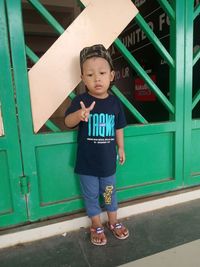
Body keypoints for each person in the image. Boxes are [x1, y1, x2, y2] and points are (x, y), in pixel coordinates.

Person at [65, 44, 129, 246]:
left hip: (107, 164)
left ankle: (113, 221)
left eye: (102, 73)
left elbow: (119, 127)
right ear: (83, 79)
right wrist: (79, 115)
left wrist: (121, 147)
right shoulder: (80, 100)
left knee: (109, 193)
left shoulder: (115, 103)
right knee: (91, 195)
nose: (97, 78)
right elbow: (68, 122)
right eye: (90, 75)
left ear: (111, 75)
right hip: (86, 165)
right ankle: (96, 224)